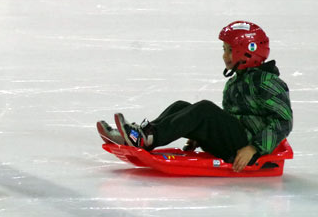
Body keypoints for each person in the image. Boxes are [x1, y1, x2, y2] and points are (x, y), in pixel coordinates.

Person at [99, 20, 292, 172]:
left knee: (205, 109)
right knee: (180, 106)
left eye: (230, 50)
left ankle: (147, 138)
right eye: (224, 50)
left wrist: (254, 148)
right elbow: (230, 120)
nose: (225, 56)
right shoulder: (236, 81)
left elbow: (283, 121)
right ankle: (143, 137)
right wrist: (203, 134)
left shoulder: (267, 82)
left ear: (247, 53)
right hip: (239, 138)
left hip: (249, 147)